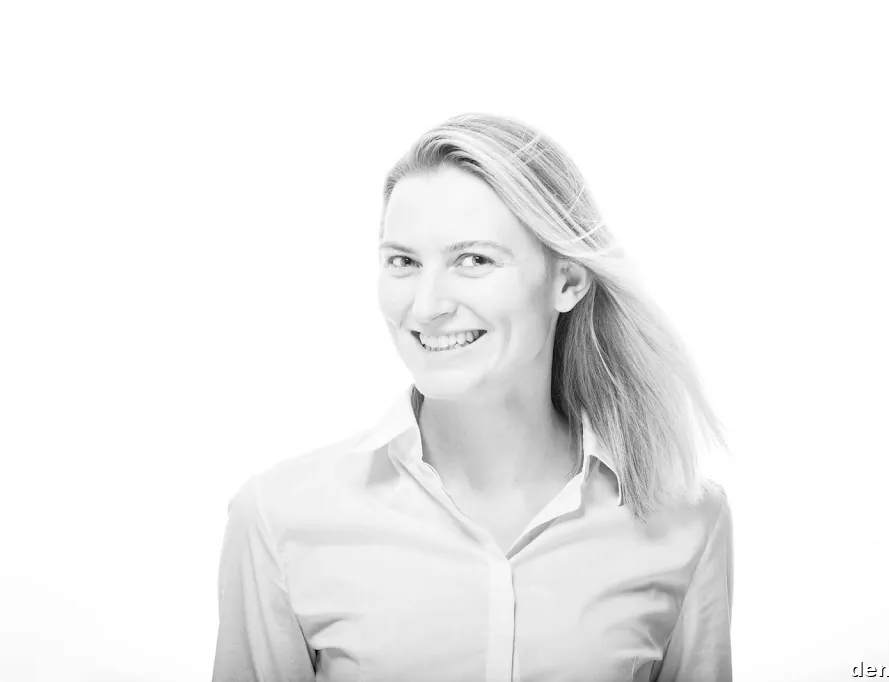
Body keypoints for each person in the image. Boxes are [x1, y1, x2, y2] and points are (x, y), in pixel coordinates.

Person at [213, 113, 734, 681]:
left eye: (475, 260)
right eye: (403, 262)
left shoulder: (686, 519)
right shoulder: (279, 519)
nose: (427, 305)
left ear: (567, 281)